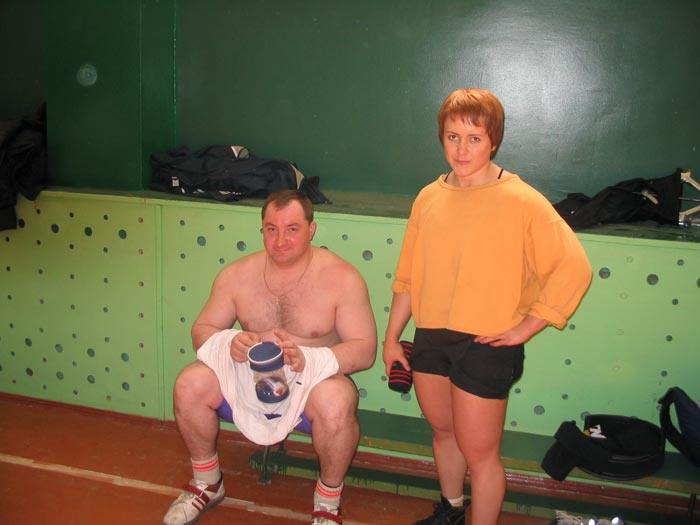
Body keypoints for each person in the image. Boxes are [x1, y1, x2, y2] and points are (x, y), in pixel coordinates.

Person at [382, 88, 592, 525]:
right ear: (441, 138)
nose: (462, 150)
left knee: (481, 455)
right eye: (452, 137)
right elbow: (407, 278)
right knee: (444, 433)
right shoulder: (428, 197)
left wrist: (528, 326)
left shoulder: (521, 200)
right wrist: (391, 339)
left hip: (486, 342)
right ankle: (451, 510)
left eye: (474, 139)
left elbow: (574, 268)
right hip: (432, 335)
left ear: (493, 140)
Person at [164, 190, 377, 525]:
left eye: (292, 229)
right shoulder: (236, 275)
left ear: (311, 229)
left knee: (337, 400)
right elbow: (201, 331)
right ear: (262, 229)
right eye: (271, 229)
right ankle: (207, 482)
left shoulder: (343, 278)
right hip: (248, 379)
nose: (280, 241)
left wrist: (310, 359)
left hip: (312, 384)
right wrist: (228, 342)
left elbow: (365, 350)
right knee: (190, 383)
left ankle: (327, 503)